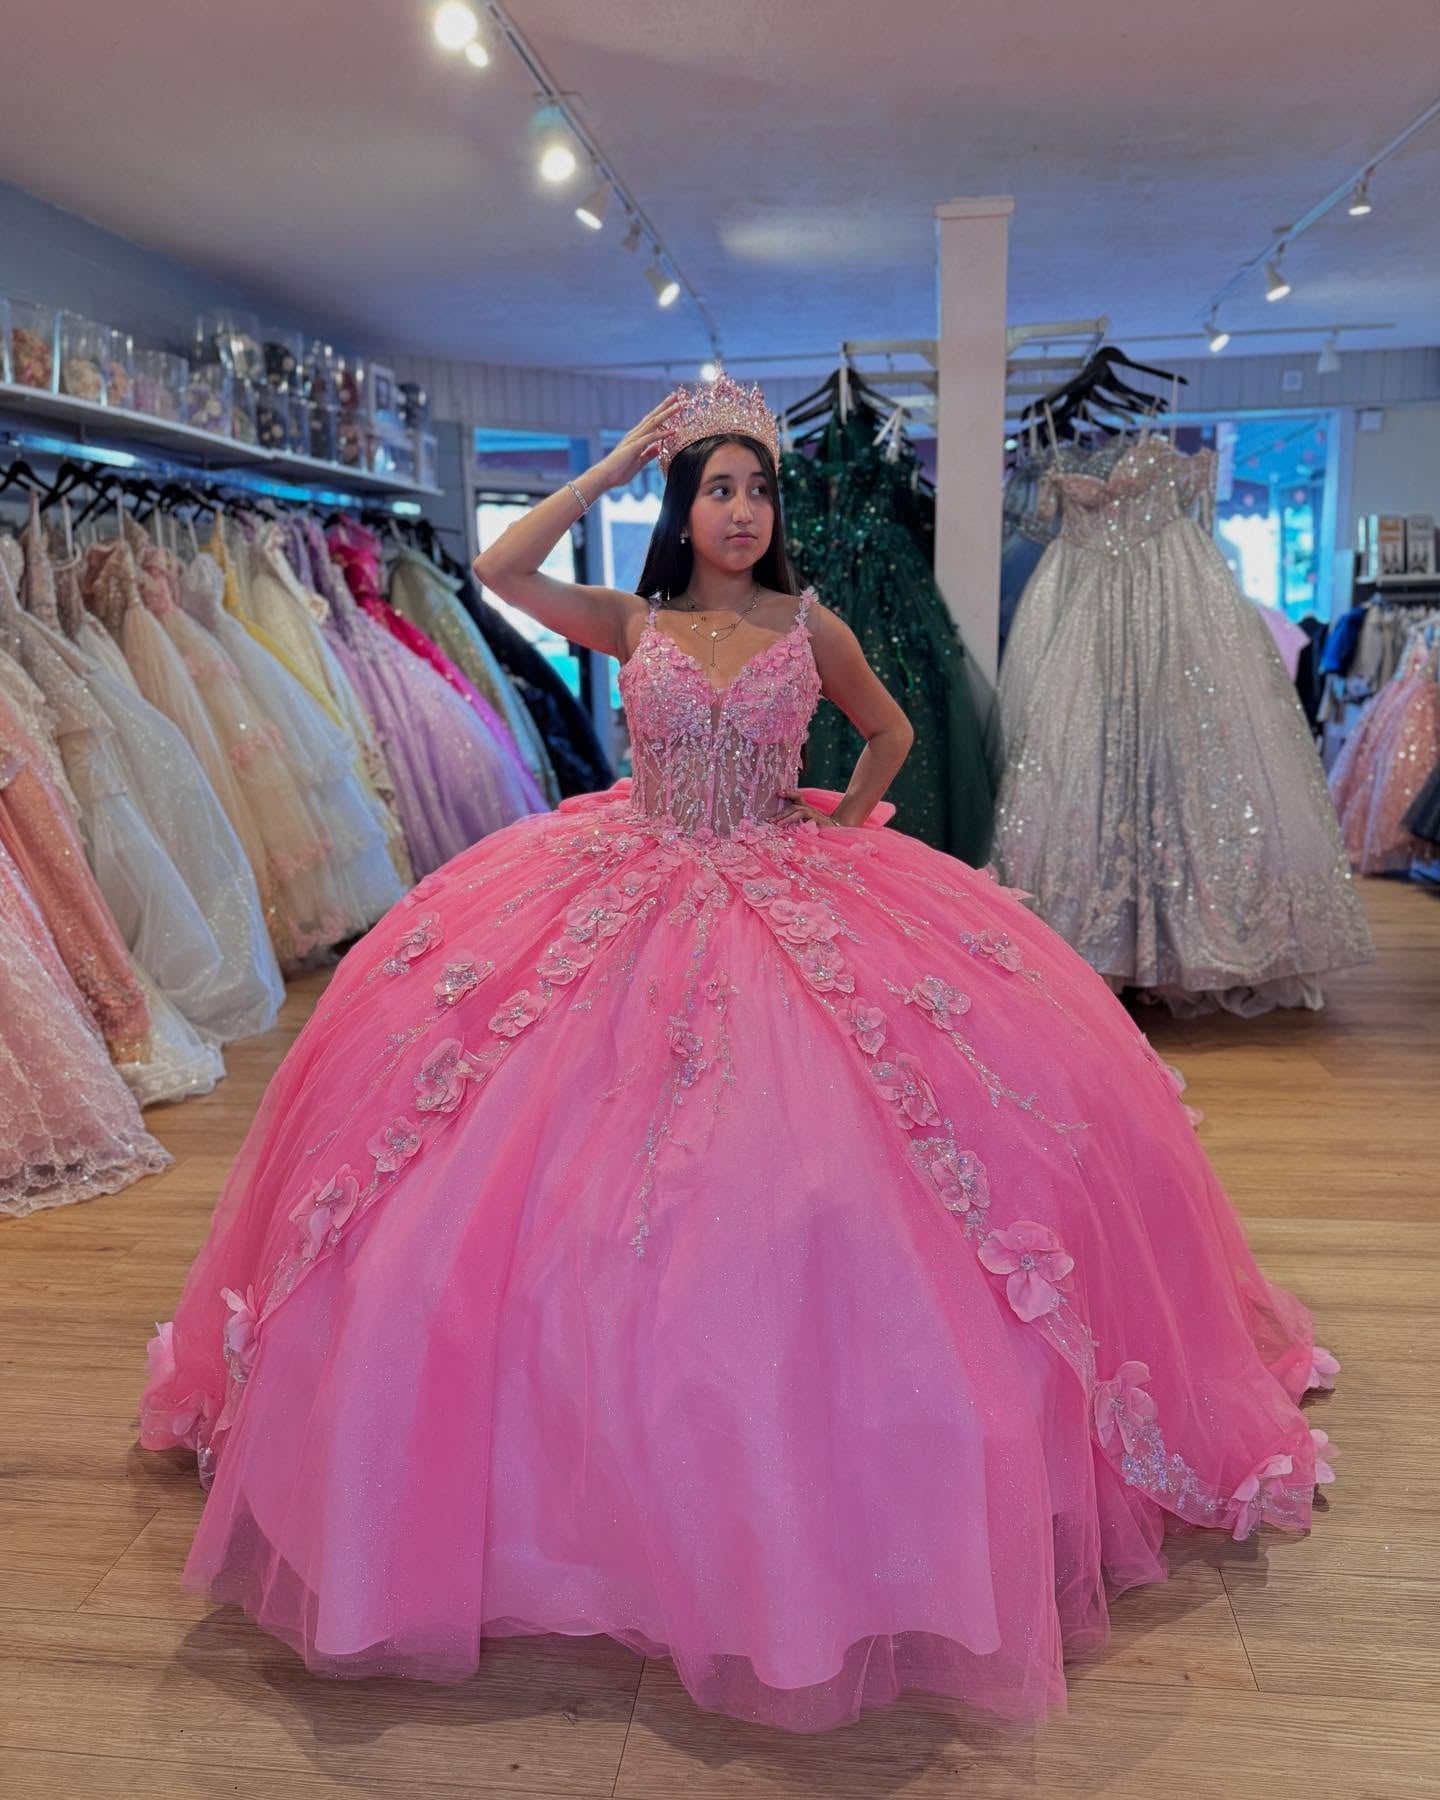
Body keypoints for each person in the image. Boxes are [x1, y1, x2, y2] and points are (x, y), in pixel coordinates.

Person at [140, 376, 1337, 1735]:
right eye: (717, 488)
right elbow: (501, 569)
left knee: (834, 1166)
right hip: (629, 870)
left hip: (779, 871)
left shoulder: (805, 623)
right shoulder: (634, 620)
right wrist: (610, 470)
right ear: (684, 505)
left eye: (758, 489)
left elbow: (892, 728)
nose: (743, 510)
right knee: (510, 1161)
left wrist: (846, 821)